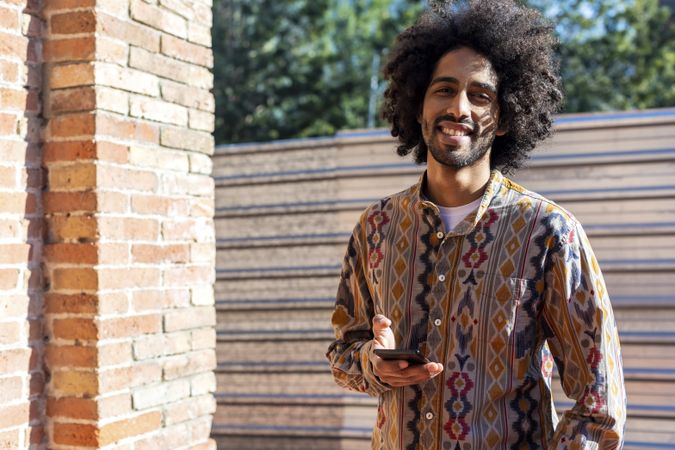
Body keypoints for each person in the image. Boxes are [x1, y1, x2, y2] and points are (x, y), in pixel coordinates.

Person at [326, 0, 627, 448]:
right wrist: (374, 362)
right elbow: (343, 354)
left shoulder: (548, 233)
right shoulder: (377, 228)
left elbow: (599, 404)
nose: (459, 107)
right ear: (418, 105)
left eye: (480, 95)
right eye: (443, 90)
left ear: (504, 118)